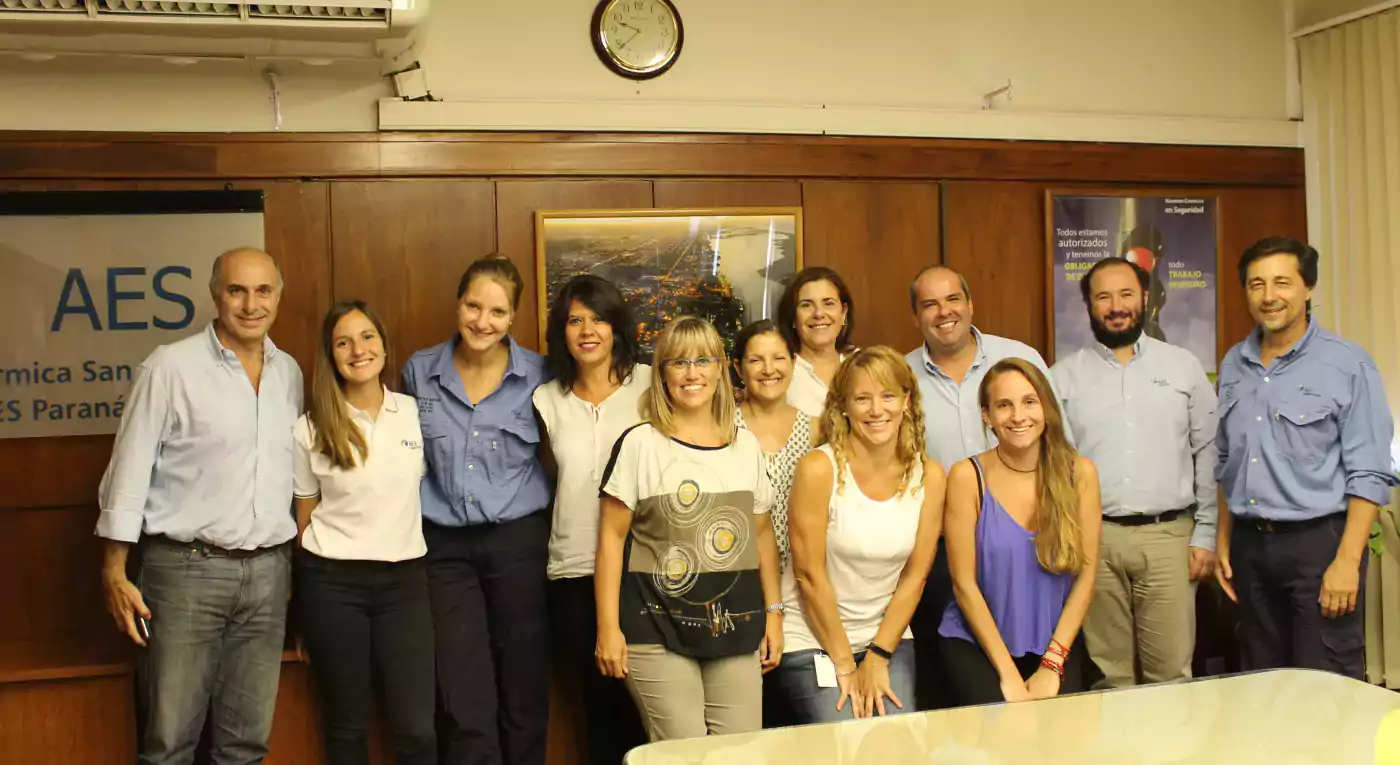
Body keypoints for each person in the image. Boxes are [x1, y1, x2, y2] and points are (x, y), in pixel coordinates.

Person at [96, 247, 301, 765]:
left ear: (278, 295)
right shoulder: (170, 367)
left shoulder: (290, 373)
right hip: (185, 574)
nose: (250, 304)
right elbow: (129, 469)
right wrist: (115, 569)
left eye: (263, 291)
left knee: (245, 745)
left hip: (269, 576)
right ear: (216, 295)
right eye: (237, 290)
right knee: (169, 744)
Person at [1215, 237, 1397, 680]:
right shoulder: (1234, 364)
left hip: (1320, 548)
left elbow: (1369, 471)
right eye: (1257, 284)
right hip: (1251, 549)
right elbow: (1226, 460)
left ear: (1308, 287)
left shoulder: (1347, 364)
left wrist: (1346, 561)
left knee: (1327, 684)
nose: (1269, 296)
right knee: (1261, 684)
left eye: (1282, 282)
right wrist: (1223, 540)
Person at [595, 315, 784, 741]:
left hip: (735, 626)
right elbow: (611, 539)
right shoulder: (639, 444)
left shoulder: (745, 444)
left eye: (703, 360)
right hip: (654, 630)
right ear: (662, 373)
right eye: (678, 363)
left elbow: (763, 535)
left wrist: (774, 614)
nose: (692, 373)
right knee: (683, 754)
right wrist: (608, 628)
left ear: (721, 368)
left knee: (739, 752)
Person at [401, 255, 551, 765]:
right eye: (473, 305)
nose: (482, 322)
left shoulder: (540, 375)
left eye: (497, 312)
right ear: (457, 303)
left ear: (514, 319)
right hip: (444, 550)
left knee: (524, 682)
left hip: (519, 545)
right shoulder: (419, 372)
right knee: (463, 692)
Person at [903, 264, 1068, 709]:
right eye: (930, 304)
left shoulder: (1020, 358)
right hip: (940, 555)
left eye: (953, 299)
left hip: (1027, 552)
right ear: (916, 315)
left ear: (970, 304)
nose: (944, 312)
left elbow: (1058, 444)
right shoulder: (901, 378)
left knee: (1048, 703)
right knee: (954, 695)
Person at [1051, 258, 1218, 688]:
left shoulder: (1183, 367)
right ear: (1089, 305)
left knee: (1171, 675)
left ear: (1144, 299)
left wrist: (1205, 534)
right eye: (1103, 297)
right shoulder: (1062, 378)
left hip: (1170, 539)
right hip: (1095, 540)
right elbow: (1056, 466)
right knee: (1110, 676)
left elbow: (1208, 451)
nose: (1116, 305)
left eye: (1126, 294)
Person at [292, 300, 435, 765]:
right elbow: (304, 516)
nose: (358, 349)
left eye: (367, 336)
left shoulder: (414, 413)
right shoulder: (310, 429)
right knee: (347, 725)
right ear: (330, 355)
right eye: (343, 342)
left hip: (405, 584)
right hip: (333, 586)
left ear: (384, 345)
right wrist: (302, 609)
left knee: (416, 728)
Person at [775, 347, 944, 722]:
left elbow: (915, 577)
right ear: (844, 406)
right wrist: (845, 664)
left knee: (896, 741)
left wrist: (879, 656)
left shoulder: (929, 475)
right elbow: (809, 575)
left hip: (886, 637)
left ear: (907, 401)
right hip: (814, 639)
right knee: (847, 738)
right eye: (862, 398)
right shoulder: (819, 468)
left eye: (888, 396)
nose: (876, 410)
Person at [937, 358, 1101, 705]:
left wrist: (1052, 664)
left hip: (1055, 645)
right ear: (987, 416)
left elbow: (1086, 576)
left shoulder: (1079, 473)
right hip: (978, 646)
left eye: (1029, 401)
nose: (1018, 416)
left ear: (1046, 407)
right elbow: (963, 585)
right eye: (1004, 405)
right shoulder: (967, 477)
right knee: (1007, 733)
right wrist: (1008, 675)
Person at [533, 275, 649, 765]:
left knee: (654, 711)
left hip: (647, 568)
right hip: (575, 569)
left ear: (616, 327)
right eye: (574, 320)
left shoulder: (650, 384)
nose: (587, 330)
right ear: (561, 331)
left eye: (598, 318)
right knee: (598, 711)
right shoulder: (546, 399)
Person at [731, 318, 819, 727]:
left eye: (778, 358)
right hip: (740, 584)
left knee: (797, 713)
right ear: (738, 368)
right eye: (756, 360)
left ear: (795, 362)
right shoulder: (721, 426)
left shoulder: (817, 428)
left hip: (803, 586)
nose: (769, 370)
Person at [778, 267, 856, 418]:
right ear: (793, 317)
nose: (819, 314)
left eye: (828, 303)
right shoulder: (779, 373)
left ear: (844, 312)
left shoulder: (863, 365)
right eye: (806, 305)